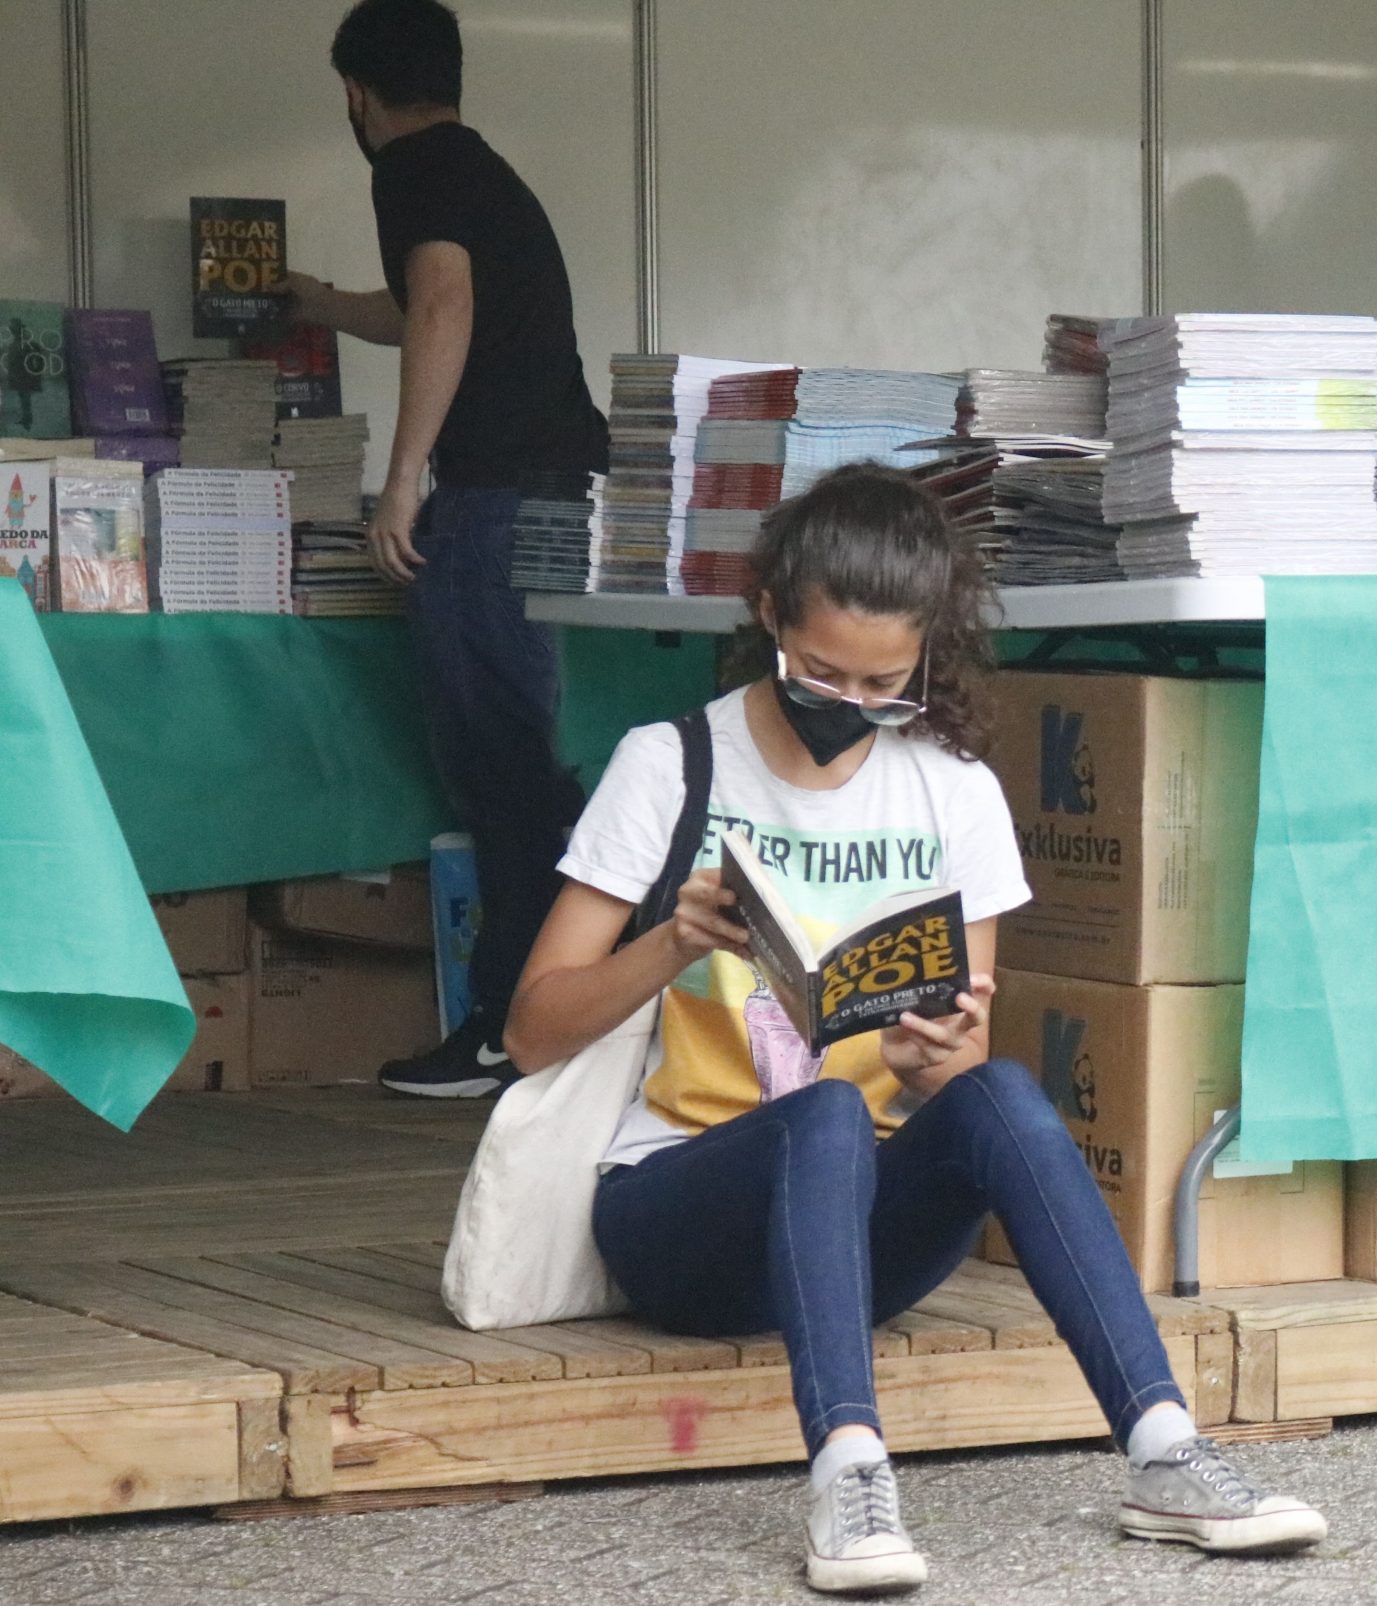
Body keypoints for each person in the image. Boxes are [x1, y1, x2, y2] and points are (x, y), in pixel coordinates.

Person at [503, 465, 1327, 1596]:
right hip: (678, 1214)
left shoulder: (953, 788)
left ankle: (1162, 1448)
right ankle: (848, 1470)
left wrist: (932, 1057)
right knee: (824, 1111)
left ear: (928, 656)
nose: (847, 703)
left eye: (884, 685)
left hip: (857, 1230)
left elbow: (961, 1067)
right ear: (768, 618)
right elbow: (533, 1027)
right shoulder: (672, 763)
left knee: (998, 1096)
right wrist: (673, 945)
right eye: (819, 672)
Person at [283, 0, 607, 1097]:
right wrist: (317, 302)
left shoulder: (411, 169)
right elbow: (432, 298)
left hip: (496, 498)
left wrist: (405, 475)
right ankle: (567, 1017)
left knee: (501, 766)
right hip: (554, 487)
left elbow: (444, 301)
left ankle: (517, 1031)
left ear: (355, 95)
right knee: (521, 756)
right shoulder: (476, 169)